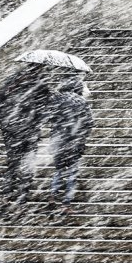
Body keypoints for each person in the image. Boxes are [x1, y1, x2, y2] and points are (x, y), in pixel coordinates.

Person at [0, 64, 50, 209]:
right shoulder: (40, 84)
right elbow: (44, 108)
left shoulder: (12, 81)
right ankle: (21, 199)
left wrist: (5, 124)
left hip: (12, 132)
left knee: (13, 165)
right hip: (29, 133)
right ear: (39, 68)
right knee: (28, 167)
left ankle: (6, 196)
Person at [47, 80, 93, 216]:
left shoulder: (56, 100)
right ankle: (66, 204)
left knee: (59, 170)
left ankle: (52, 195)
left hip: (58, 141)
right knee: (72, 173)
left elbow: (50, 118)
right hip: (74, 142)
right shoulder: (81, 101)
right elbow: (89, 123)